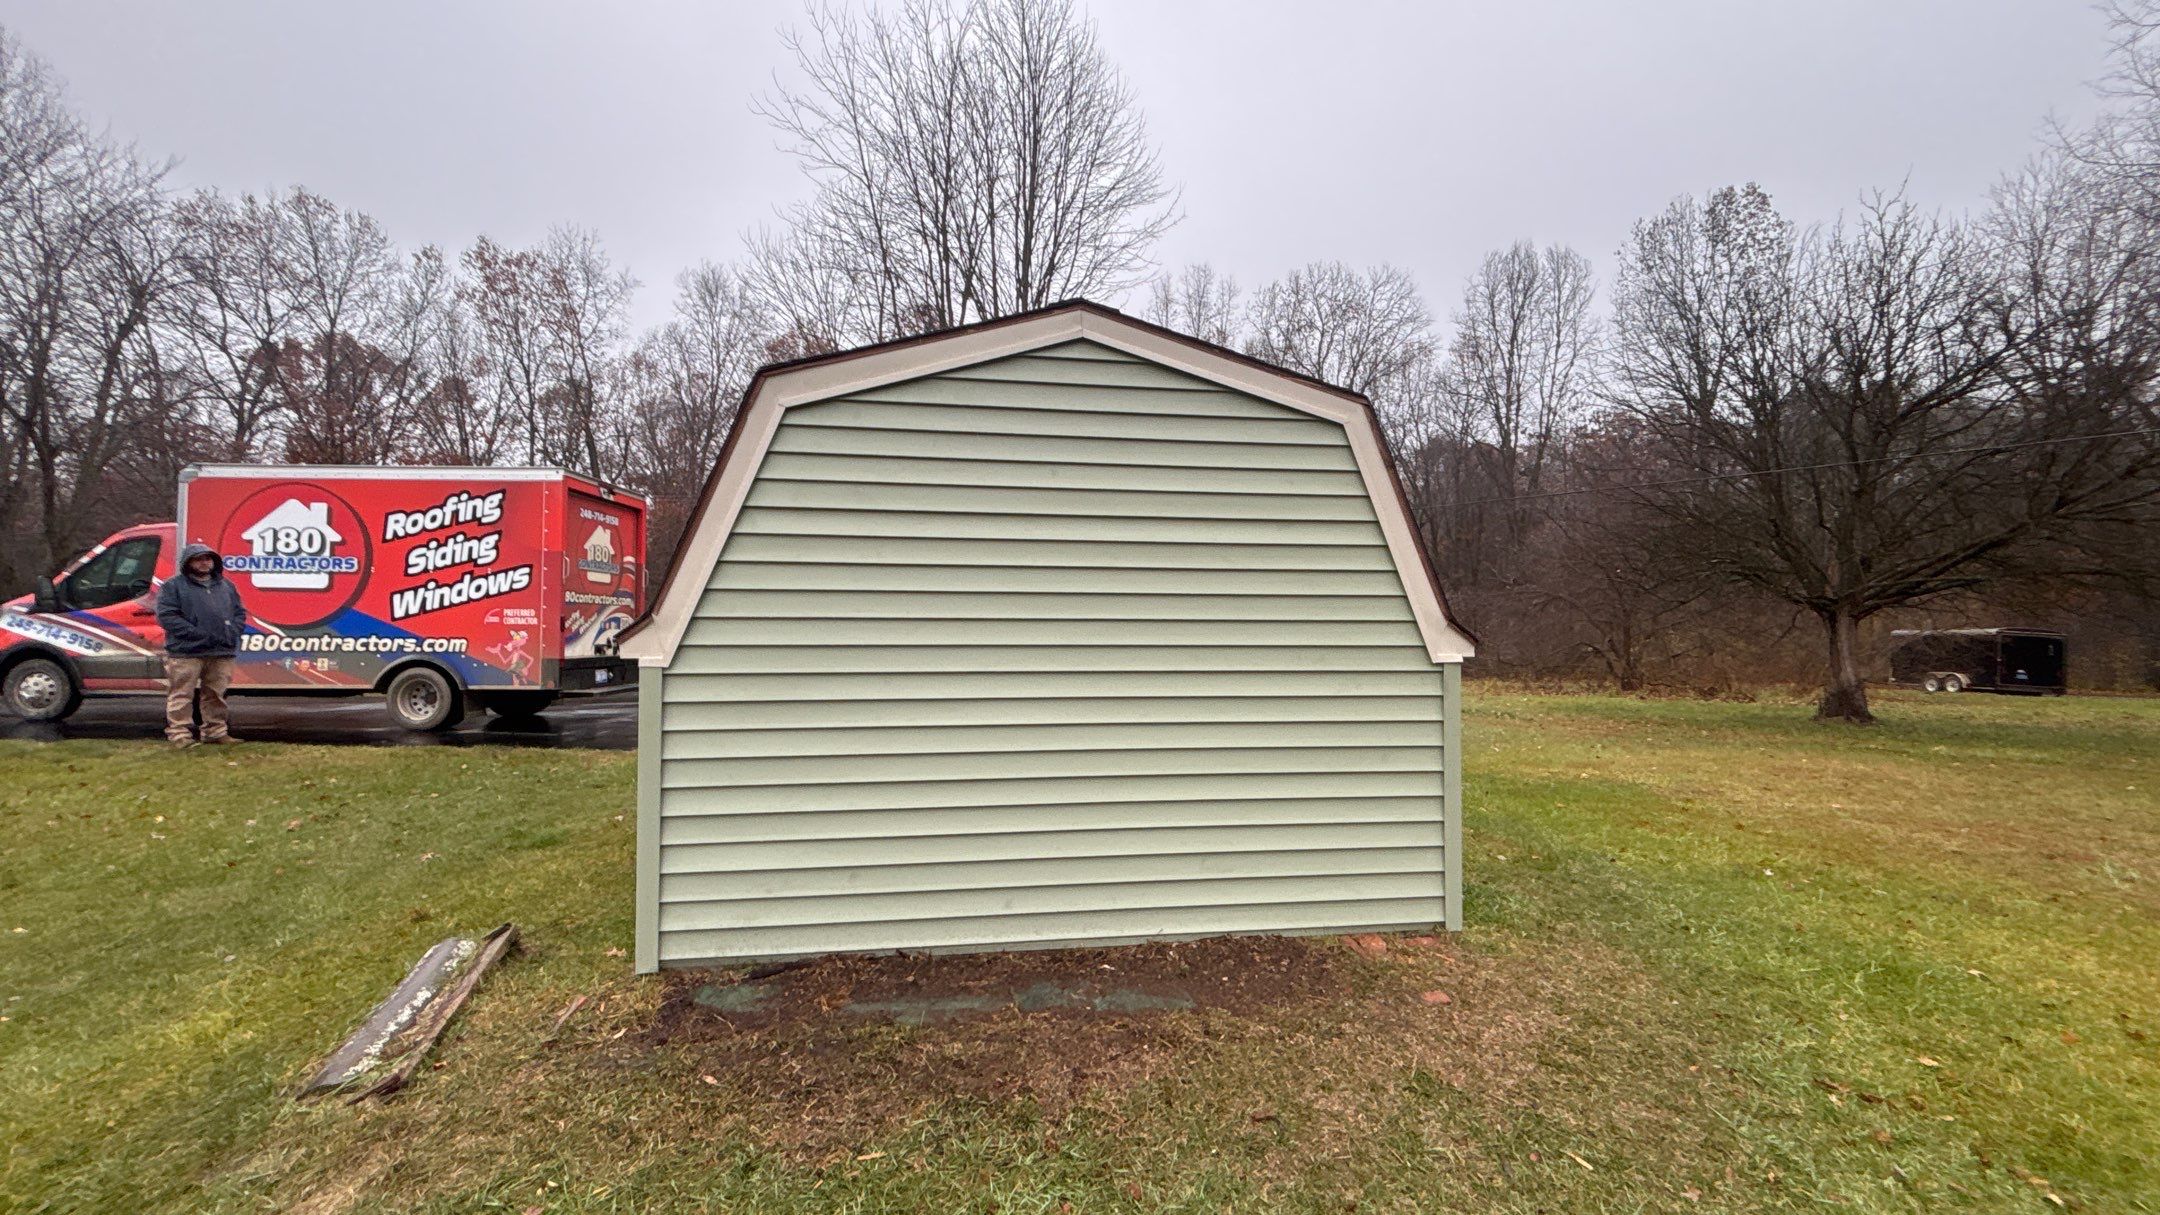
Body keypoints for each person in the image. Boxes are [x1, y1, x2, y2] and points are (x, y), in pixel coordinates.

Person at [155, 543, 248, 748]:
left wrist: (232, 632)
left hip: (221, 651)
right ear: (188, 562)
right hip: (185, 653)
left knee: (215, 694)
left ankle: (215, 732)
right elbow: (167, 617)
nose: (205, 563)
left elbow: (239, 612)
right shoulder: (173, 586)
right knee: (181, 694)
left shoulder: (226, 586)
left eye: (208, 558)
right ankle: (180, 735)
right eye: (199, 559)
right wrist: (198, 635)